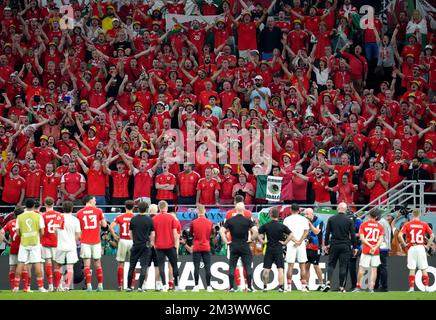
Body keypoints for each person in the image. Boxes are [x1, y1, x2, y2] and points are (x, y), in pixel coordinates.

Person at [220, 202, 258, 292]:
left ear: (236, 209)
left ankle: (232, 287)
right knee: (247, 266)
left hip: (234, 245)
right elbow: (256, 231)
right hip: (245, 245)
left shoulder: (230, 220)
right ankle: (249, 287)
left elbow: (221, 231)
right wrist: (251, 239)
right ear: (244, 209)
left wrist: (226, 241)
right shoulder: (247, 220)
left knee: (232, 266)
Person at [13, 199, 46, 292]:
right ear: (34, 205)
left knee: (20, 263)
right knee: (37, 264)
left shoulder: (19, 217)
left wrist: (25, 235)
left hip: (24, 243)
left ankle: (15, 287)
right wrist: (36, 236)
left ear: (25, 206)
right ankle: (40, 287)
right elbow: (42, 232)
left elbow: (18, 232)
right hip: (35, 242)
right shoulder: (38, 216)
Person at [323, 202, 358, 292]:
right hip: (345, 245)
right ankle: (341, 287)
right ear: (346, 209)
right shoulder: (349, 220)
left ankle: (328, 282)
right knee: (343, 266)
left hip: (334, 244)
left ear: (338, 209)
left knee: (331, 264)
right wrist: (355, 247)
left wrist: (326, 244)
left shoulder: (331, 219)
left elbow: (327, 233)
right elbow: (353, 235)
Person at [76, 195, 108, 291]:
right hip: (96, 241)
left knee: (86, 265)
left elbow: (78, 230)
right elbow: (104, 225)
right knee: (98, 264)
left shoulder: (79, 213)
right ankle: (100, 286)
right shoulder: (98, 211)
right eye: (94, 200)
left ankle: (89, 285)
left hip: (85, 241)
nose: (95, 202)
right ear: (90, 201)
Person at [398, 209, 435, 292]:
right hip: (421, 247)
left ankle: (411, 288)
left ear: (412, 215)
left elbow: (400, 235)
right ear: (419, 215)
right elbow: (432, 236)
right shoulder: (424, 224)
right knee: (423, 268)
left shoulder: (408, 224)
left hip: (412, 247)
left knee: (412, 269)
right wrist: (427, 246)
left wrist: (405, 244)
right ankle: (426, 287)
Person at [258, 207, 293, 292]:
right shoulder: (282, 226)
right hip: (278, 248)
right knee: (280, 268)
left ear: (270, 215)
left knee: (266, 269)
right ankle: (280, 287)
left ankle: (265, 287)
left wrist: (262, 241)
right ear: (278, 215)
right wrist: (285, 243)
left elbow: (258, 233)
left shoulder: (266, 225)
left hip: (269, 248)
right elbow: (291, 234)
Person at [153, 200, 183, 292]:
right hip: (170, 246)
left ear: (159, 208)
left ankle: (165, 286)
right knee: (174, 266)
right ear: (166, 207)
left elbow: (153, 234)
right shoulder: (172, 218)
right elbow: (175, 233)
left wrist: (154, 244)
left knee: (161, 266)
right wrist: (175, 246)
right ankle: (177, 286)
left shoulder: (154, 219)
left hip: (159, 246)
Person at [126, 201, 155, 292]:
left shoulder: (133, 219)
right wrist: (151, 243)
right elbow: (152, 233)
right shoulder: (149, 220)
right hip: (145, 245)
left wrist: (134, 240)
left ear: (138, 208)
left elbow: (130, 233)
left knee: (132, 266)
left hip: (136, 245)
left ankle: (129, 287)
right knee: (144, 266)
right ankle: (140, 287)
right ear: (146, 209)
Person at [353, 209, 384, 293]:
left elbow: (362, 238)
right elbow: (381, 239)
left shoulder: (363, 225)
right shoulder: (380, 226)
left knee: (362, 268)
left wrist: (370, 246)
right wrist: (375, 247)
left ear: (370, 215)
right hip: (375, 250)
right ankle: (371, 288)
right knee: (374, 269)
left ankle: (358, 287)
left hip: (366, 249)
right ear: (377, 217)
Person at [53, 201, 81, 291]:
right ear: (72, 209)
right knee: (70, 267)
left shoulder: (58, 218)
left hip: (60, 245)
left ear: (62, 208)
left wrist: (60, 239)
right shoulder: (75, 220)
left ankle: (57, 286)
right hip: (71, 246)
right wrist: (73, 241)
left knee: (58, 266)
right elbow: (78, 235)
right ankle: (67, 287)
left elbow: (54, 232)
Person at [283, 203, 310, 292]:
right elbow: (306, 231)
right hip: (300, 244)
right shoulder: (303, 219)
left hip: (291, 243)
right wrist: (300, 241)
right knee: (302, 266)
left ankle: (289, 287)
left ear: (291, 210)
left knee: (290, 266)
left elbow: (286, 232)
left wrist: (295, 241)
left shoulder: (287, 219)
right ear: (299, 210)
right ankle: (303, 287)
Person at [110, 200, 135, 291]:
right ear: (133, 207)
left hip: (123, 240)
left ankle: (120, 285)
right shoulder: (135, 217)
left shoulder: (120, 217)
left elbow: (111, 226)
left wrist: (114, 236)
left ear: (125, 207)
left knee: (120, 263)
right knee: (133, 264)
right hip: (132, 241)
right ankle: (132, 285)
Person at [0, 207, 27, 290]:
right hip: (23, 248)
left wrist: (7, 243)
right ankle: (25, 288)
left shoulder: (10, 222)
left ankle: (13, 288)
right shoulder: (25, 223)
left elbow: (1, 232)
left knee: (12, 268)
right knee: (24, 268)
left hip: (13, 248)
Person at [41, 197, 63, 292]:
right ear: (54, 204)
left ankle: (50, 285)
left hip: (46, 242)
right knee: (58, 265)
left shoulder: (42, 216)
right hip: (57, 243)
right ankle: (59, 286)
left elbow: (40, 230)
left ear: (45, 204)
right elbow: (62, 229)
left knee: (48, 264)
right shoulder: (59, 215)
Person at [190, 204, 214, 292]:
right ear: (205, 211)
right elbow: (211, 234)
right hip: (206, 246)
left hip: (197, 247)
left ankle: (196, 286)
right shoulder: (209, 222)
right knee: (207, 267)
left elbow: (191, 234)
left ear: (197, 211)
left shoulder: (193, 222)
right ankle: (208, 286)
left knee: (196, 267)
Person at [303, 208, 325, 291]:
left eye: (307, 214)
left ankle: (321, 284)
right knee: (306, 266)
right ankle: (306, 285)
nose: (305, 216)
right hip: (306, 246)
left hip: (316, 246)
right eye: (304, 214)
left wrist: (309, 224)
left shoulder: (320, 221)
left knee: (316, 266)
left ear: (312, 214)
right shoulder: (304, 221)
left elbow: (316, 232)